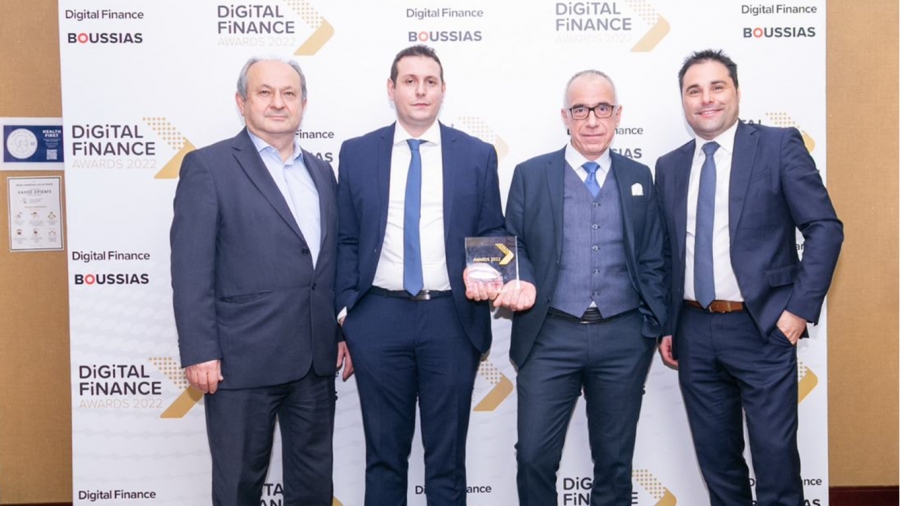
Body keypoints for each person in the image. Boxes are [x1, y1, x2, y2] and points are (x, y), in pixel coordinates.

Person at [654, 49, 843, 506]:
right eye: (694, 90)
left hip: (763, 328)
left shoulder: (778, 146)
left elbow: (825, 228)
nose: (706, 99)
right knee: (718, 466)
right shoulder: (669, 166)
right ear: (683, 100)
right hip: (694, 333)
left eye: (717, 87)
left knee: (776, 465)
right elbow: (667, 252)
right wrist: (667, 325)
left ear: (737, 92)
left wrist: (797, 311)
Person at [170, 57, 352, 506]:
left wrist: (339, 332)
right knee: (238, 487)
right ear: (242, 102)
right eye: (264, 92)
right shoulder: (208, 166)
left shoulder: (322, 172)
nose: (278, 103)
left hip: (313, 360)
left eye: (289, 93)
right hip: (240, 362)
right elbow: (190, 269)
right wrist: (200, 350)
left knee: (314, 486)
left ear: (303, 103)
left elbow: (325, 265)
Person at [335, 44, 504, 506]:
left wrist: (483, 272)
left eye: (430, 82)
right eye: (409, 81)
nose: (420, 90)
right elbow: (346, 238)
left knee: (447, 462)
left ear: (443, 90)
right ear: (391, 89)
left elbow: (492, 230)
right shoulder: (357, 153)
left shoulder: (476, 155)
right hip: (377, 319)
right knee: (384, 460)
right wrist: (346, 313)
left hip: (451, 319)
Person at [494, 70, 667, 506]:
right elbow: (513, 244)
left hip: (623, 336)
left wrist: (653, 326)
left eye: (602, 108)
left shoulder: (640, 176)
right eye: (581, 109)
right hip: (550, 334)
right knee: (533, 457)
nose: (592, 120)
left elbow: (653, 254)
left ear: (618, 115)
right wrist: (522, 281)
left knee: (615, 463)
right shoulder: (531, 175)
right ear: (565, 116)